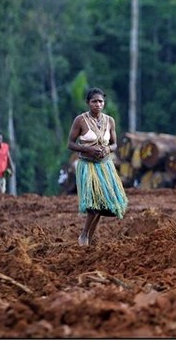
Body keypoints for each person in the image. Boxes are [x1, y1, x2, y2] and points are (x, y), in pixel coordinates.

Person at [67, 87, 128, 246]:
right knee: (93, 203)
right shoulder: (80, 120)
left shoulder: (109, 121)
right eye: (94, 101)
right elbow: (71, 144)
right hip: (88, 166)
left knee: (103, 204)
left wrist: (107, 149)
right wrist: (88, 149)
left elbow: (115, 144)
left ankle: (89, 237)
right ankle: (84, 235)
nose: (98, 104)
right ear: (88, 103)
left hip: (105, 166)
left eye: (100, 101)